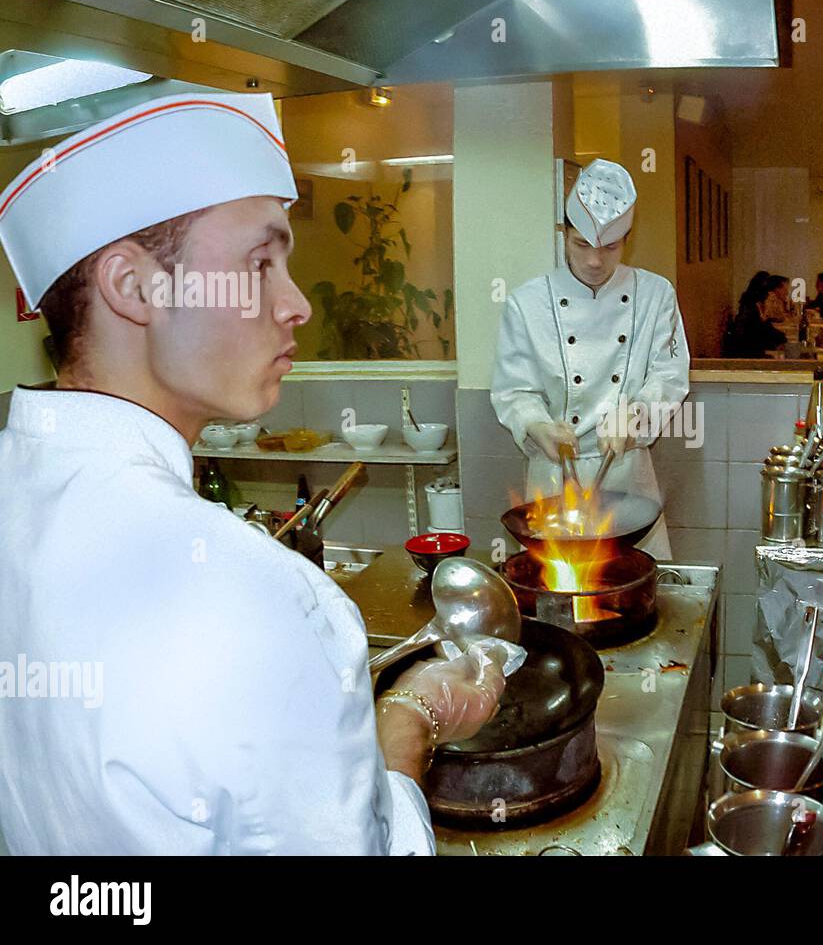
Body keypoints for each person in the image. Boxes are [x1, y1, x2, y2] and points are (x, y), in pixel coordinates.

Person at [0, 93, 505, 854]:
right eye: (258, 263)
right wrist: (411, 718)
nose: (297, 304)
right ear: (133, 286)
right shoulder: (264, 599)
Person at [491, 158, 689, 559]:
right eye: (582, 244)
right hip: (553, 479)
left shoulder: (656, 295)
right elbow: (514, 390)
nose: (595, 261)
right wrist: (535, 423)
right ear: (564, 234)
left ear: (627, 240)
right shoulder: (527, 303)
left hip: (628, 477)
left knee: (638, 596)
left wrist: (635, 415)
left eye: (610, 247)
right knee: (558, 598)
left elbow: (669, 375)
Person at [723, 271, 789, 357]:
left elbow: (766, 327)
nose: (770, 293)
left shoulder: (752, 303)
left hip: (751, 347)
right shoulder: (752, 307)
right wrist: (781, 338)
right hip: (747, 352)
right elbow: (759, 331)